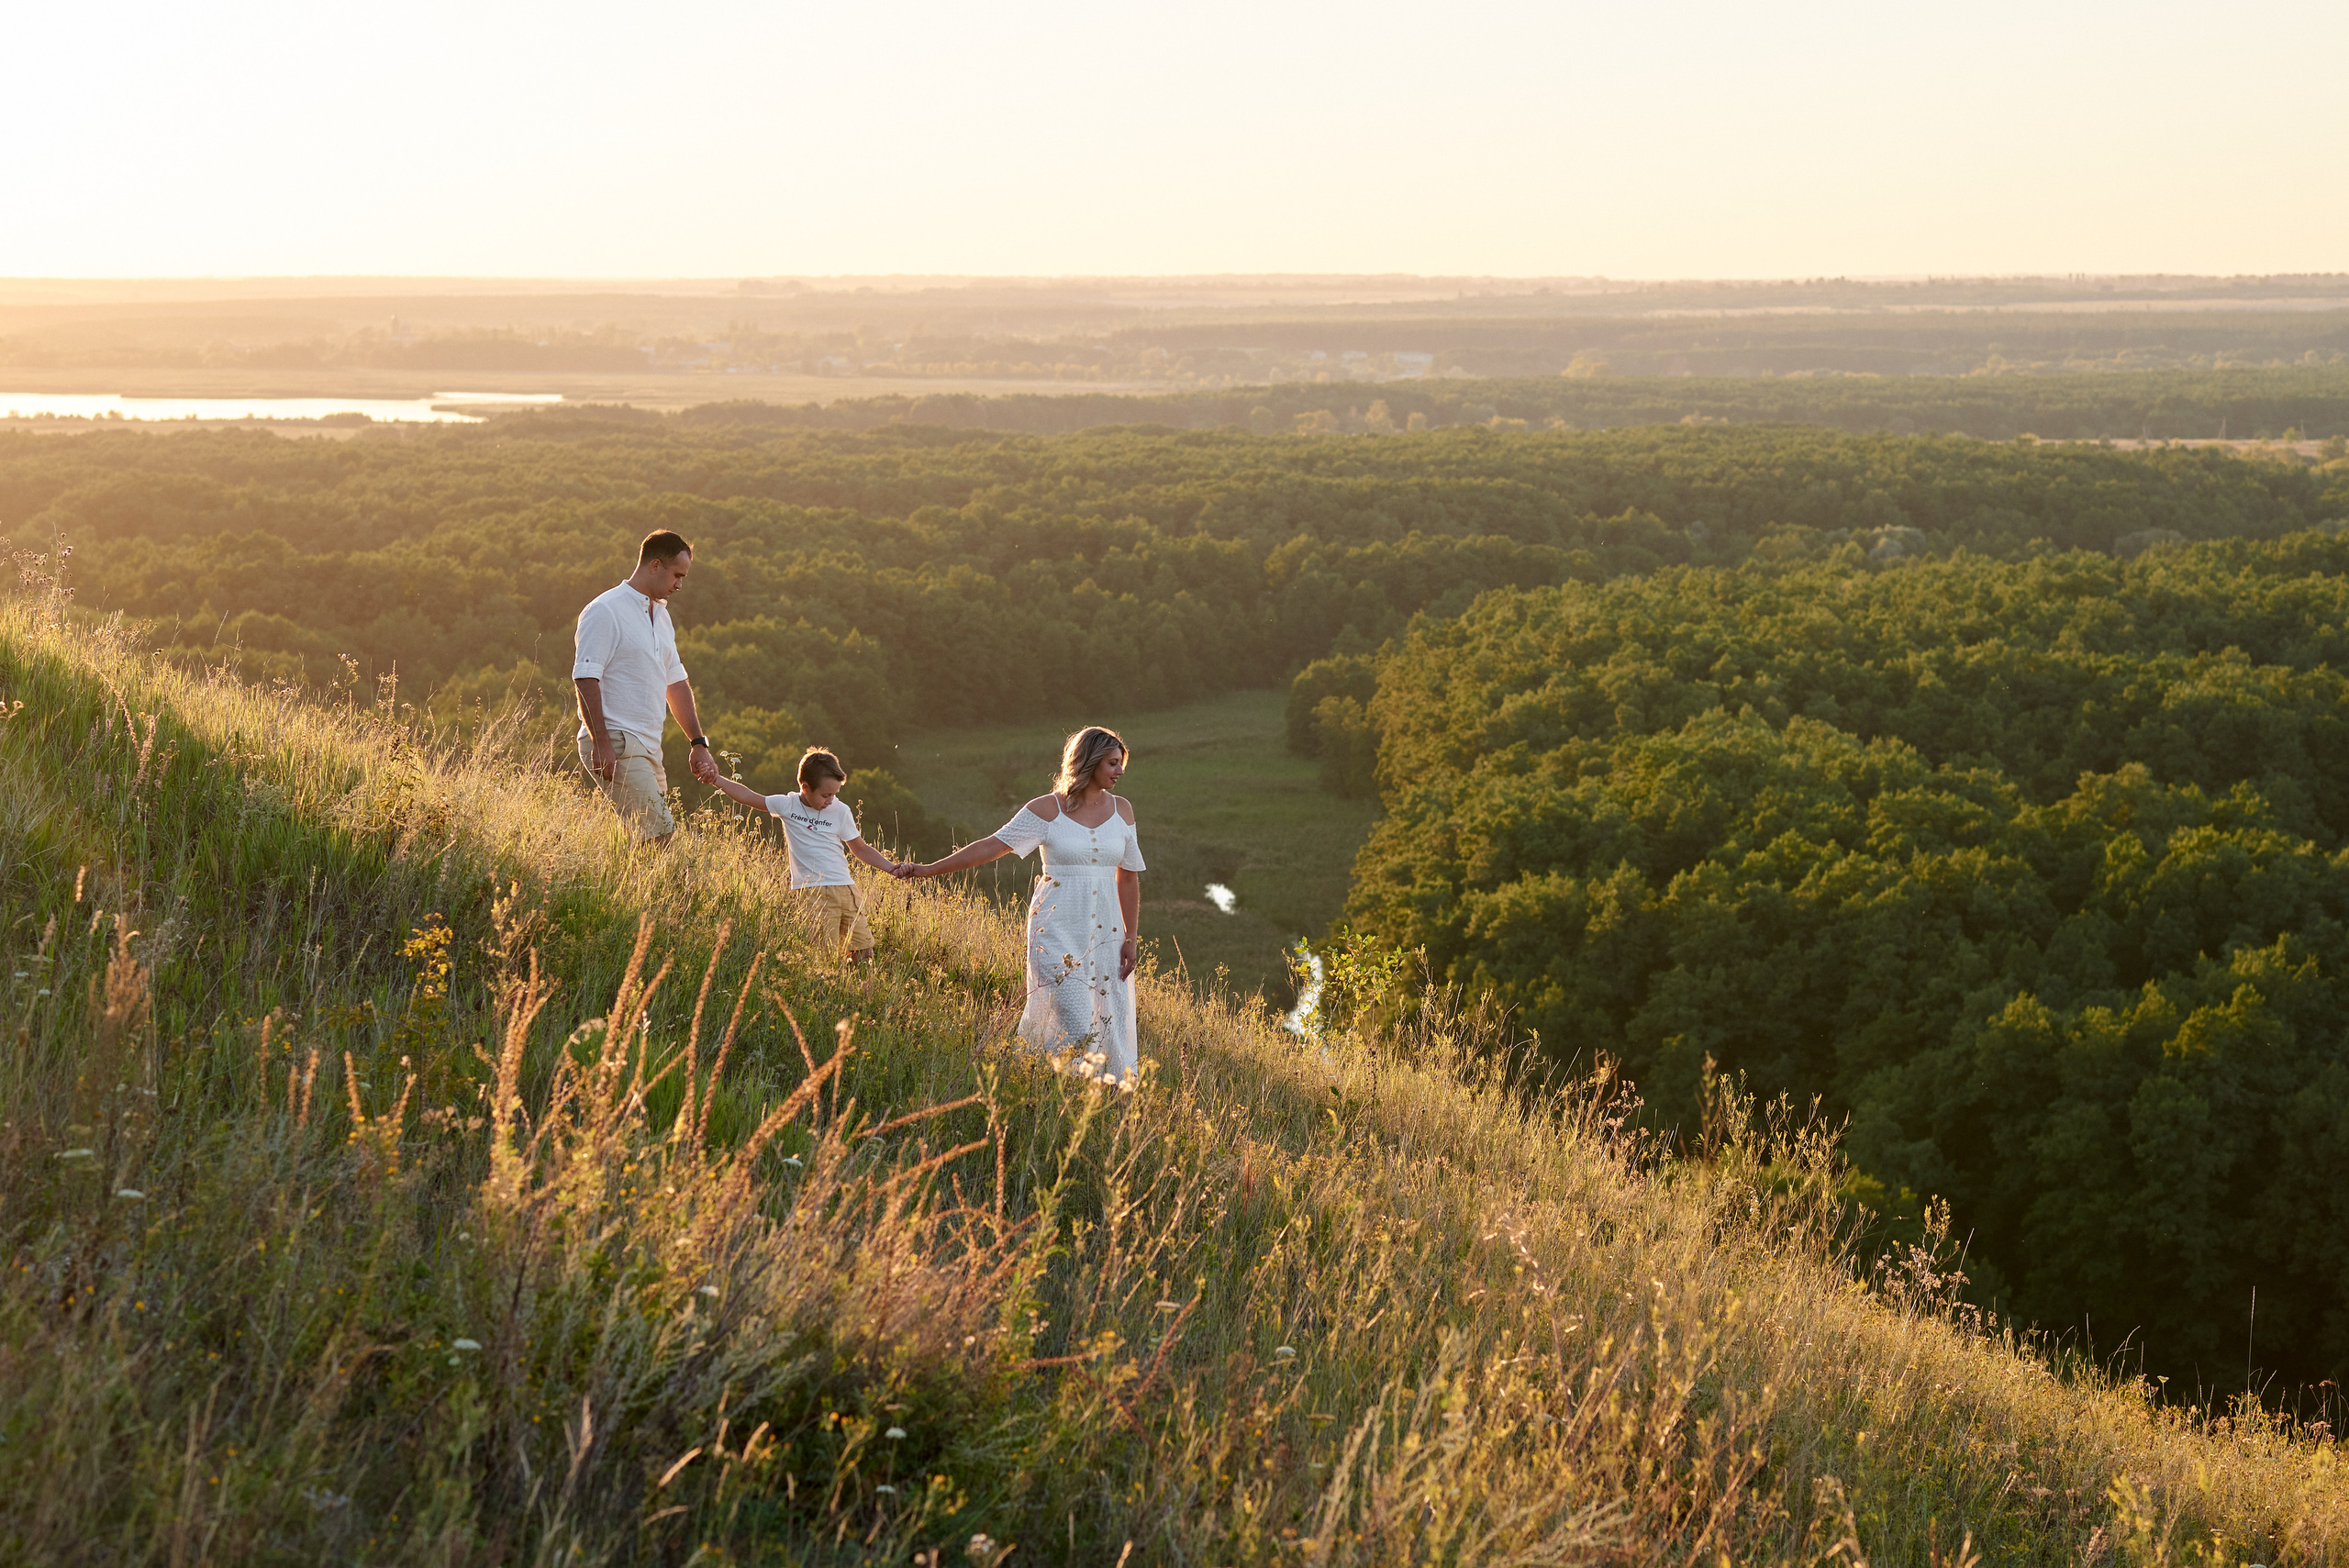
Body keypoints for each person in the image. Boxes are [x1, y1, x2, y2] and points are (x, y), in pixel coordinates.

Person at [897, 727, 1145, 1077]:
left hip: (1107, 931)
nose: (1120, 771)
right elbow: (990, 845)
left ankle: (1100, 1094)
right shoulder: (1047, 809)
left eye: (1121, 763)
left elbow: (1129, 876)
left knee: (1109, 1015)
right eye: (1112, 763)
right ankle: (1056, 1083)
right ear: (1089, 761)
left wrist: (1131, 939)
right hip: (1055, 926)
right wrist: (928, 870)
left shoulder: (1123, 811)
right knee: (1074, 1019)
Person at [573, 529, 720, 843]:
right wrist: (602, 742)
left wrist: (698, 743)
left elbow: (677, 684)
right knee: (660, 838)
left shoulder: (662, 617)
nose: (680, 584)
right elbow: (585, 678)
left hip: (649, 746)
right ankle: (675, 893)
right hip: (617, 740)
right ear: (655, 565)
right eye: (677, 575)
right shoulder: (605, 610)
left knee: (642, 843)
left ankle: (621, 892)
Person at [709, 746, 902, 965]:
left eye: (835, 794)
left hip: (846, 889)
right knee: (824, 958)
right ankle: (826, 995)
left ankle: (864, 995)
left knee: (863, 954)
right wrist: (717, 779)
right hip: (812, 894)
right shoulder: (788, 805)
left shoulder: (841, 811)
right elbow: (747, 796)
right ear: (805, 787)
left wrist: (891, 868)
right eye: (825, 795)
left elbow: (860, 848)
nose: (830, 800)